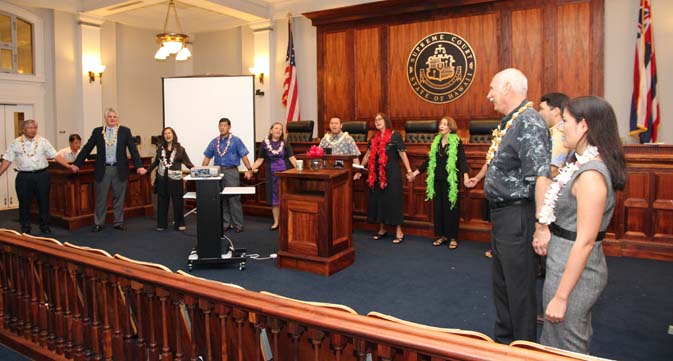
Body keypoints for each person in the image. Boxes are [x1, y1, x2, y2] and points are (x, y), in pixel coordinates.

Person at [533, 96, 625, 353]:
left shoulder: (591, 175)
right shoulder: (578, 164)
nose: (560, 127)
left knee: (567, 345)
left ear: (583, 126)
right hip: (563, 261)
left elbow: (584, 242)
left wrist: (561, 297)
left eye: (565, 121)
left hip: (576, 272)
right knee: (556, 339)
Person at [468, 68, 552, 343]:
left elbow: (541, 175)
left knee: (519, 290)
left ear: (507, 88)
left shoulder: (529, 122)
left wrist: (541, 226)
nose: (488, 94)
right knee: (503, 286)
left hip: (518, 214)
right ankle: (505, 344)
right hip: (502, 215)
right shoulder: (510, 123)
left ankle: (523, 348)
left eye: (492, 88)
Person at [72, 108, 147, 232]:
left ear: (118, 119)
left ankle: (118, 222)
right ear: (105, 119)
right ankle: (98, 223)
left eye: (115, 117)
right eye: (110, 117)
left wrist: (139, 166)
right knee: (101, 198)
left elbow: (133, 149)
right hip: (103, 169)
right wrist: (77, 164)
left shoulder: (124, 131)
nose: (112, 119)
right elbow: (87, 148)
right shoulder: (97, 132)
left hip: (119, 168)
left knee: (119, 196)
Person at [408, 116, 470, 249]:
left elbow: (463, 161)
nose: (441, 126)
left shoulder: (456, 142)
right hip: (437, 180)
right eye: (440, 124)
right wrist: (415, 173)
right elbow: (428, 161)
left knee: (451, 209)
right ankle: (442, 235)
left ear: (450, 127)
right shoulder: (436, 142)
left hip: (451, 182)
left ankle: (452, 237)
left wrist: (465, 177)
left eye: (444, 124)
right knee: (439, 209)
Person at [0, 120, 71, 234]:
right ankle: (25, 227)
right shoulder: (16, 143)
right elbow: (7, 160)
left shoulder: (43, 141)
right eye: (30, 128)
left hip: (42, 175)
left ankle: (45, 226)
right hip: (24, 177)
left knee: (44, 201)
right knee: (24, 203)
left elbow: (55, 155)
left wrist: (68, 166)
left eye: (35, 128)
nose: (33, 130)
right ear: (23, 129)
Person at [355, 113, 412, 244]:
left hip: (392, 174)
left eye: (380, 119)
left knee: (394, 200)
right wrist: (359, 169)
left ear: (386, 121)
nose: (377, 122)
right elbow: (368, 155)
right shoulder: (373, 138)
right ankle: (382, 229)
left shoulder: (395, 136)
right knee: (378, 200)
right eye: (375, 120)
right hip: (376, 174)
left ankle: (399, 230)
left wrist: (409, 171)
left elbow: (402, 154)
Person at [202, 117, 253, 233]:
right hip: (218, 172)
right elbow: (207, 158)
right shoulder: (214, 142)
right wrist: (201, 172)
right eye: (220, 125)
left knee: (234, 198)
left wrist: (249, 169)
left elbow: (244, 156)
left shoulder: (236, 140)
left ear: (229, 127)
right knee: (222, 199)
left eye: (224, 125)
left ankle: (238, 224)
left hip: (231, 171)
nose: (222, 127)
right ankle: (226, 223)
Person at [246, 122, 297, 230]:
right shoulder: (265, 144)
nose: (278, 130)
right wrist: (250, 170)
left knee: (285, 197)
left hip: (285, 174)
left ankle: (287, 222)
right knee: (274, 199)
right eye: (276, 128)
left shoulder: (286, 143)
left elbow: (292, 158)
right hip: (271, 174)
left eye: (280, 129)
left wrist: (300, 170)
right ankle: (276, 222)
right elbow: (260, 160)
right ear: (271, 130)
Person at [147, 127, 194, 231]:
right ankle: (162, 224)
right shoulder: (160, 148)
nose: (167, 135)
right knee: (162, 202)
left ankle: (179, 223)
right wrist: (147, 171)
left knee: (178, 203)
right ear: (163, 136)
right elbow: (156, 162)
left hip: (175, 180)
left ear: (173, 135)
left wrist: (196, 170)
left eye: (169, 133)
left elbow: (188, 163)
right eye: (165, 134)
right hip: (162, 180)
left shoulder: (180, 149)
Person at [539, 93, 571, 177]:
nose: (539, 113)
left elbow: (553, 170)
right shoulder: (555, 131)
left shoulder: (559, 133)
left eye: (542, 109)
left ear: (556, 111)